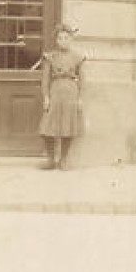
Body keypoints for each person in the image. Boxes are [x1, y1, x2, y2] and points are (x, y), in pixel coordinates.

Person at [38, 24, 85, 170]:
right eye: (60, 38)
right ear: (56, 40)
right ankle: (51, 159)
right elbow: (45, 79)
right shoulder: (50, 57)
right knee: (47, 128)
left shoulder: (78, 57)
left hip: (71, 93)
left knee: (67, 127)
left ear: (71, 39)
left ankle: (63, 159)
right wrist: (46, 97)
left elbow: (82, 79)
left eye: (66, 38)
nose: (63, 40)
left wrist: (80, 98)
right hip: (55, 92)